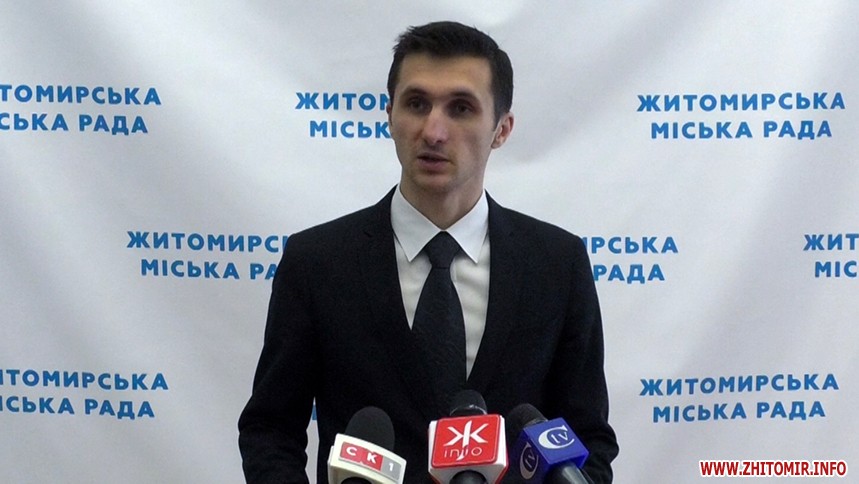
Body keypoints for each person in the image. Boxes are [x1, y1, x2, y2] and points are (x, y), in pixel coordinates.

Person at [238, 21, 619, 483]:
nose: (434, 131)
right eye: (417, 104)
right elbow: (271, 430)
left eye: (461, 108)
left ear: (501, 129)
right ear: (389, 114)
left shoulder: (558, 264)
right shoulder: (316, 262)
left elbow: (588, 436)